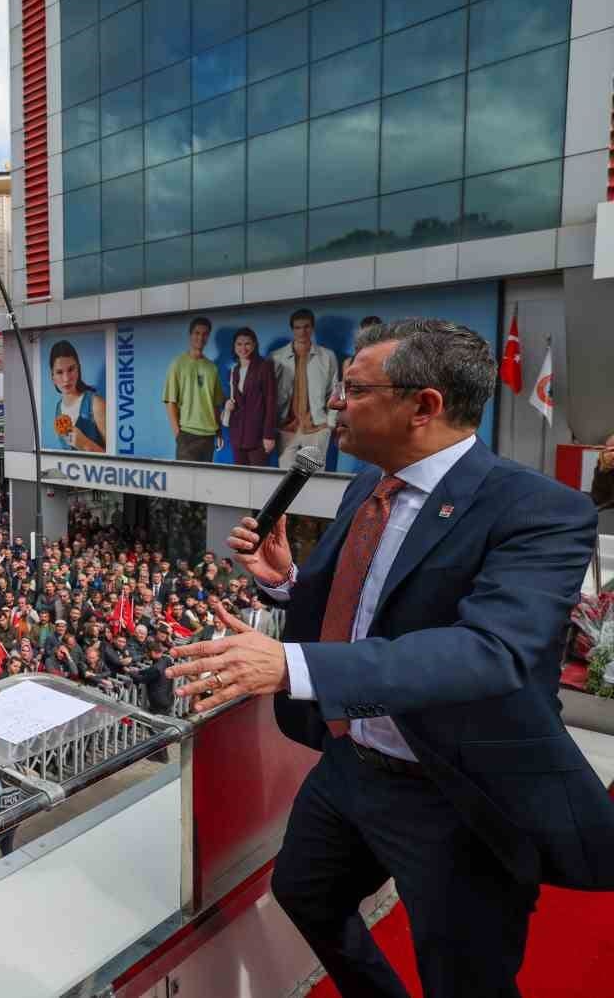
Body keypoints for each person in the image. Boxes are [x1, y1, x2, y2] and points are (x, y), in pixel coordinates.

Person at [168, 318, 614, 998]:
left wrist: (290, 666)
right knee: (305, 894)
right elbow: (369, 608)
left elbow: (489, 652)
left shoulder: (538, 510)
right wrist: (285, 581)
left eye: (352, 388)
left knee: (465, 979)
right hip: (352, 767)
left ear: (424, 406)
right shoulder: (366, 486)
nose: (333, 404)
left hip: (459, 793)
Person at [270, 307, 339, 469]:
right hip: (286, 428)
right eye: (298, 327)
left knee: (314, 478)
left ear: (312, 328)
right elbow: (269, 393)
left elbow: (334, 391)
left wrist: (330, 423)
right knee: (285, 480)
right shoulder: (276, 357)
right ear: (292, 329)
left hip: (317, 428)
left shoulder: (327, 356)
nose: (302, 331)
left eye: (306, 326)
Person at [163, 315, 221, 462]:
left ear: (208, 337)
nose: (200, 337)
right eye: (197, 333)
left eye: (205, 334)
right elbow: (170, 402)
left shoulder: (212, 368)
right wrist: (178, 436)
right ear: (190, 335)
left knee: (205, 482)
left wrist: (218, 431)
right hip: (187, 436)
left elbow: (215, 404)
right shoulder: (177, 364)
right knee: (185, 482)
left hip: (209, 436)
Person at [223, 326, 278, 467]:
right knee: (240, 480)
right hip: (237, 435)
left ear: (254, 345)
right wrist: (228, 405)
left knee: (258, 480)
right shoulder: (233, 371)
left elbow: (271, 402)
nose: (243, 348)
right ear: (234, 346)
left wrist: (269, 435)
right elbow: (236, 400)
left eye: (247, 343)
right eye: (239, 344)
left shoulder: (264, 367)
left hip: (258, 437)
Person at [47, 339, 106, 452]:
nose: (66, 378)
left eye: (71, 369)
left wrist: (85, 444)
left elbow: (116, 460)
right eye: (59, 372)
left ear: (78, 369)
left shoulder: (96, 404)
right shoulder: (58, 409)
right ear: (52, 376)